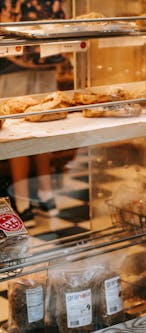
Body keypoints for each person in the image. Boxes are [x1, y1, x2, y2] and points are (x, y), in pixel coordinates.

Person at [1, 0, 65, 223]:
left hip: (45, 51)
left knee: (44, 121)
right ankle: (24, 198)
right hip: (13, 56)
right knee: (15, 126)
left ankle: (43, 191)